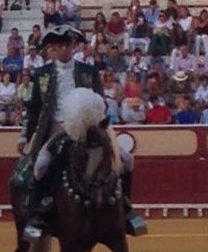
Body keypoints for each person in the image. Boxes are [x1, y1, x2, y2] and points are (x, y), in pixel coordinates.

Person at [17, 25, 145, 240]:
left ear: (73, 46)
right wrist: (24, 136)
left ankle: (127, 207)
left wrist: (103, 126)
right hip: (57, 128)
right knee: (39, 166)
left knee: (127, 159)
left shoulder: (89, 71)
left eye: (67, 45)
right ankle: (38, 216)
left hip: (90, 127)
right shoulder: (41, 74)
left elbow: (100, 102)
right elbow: (34, 109)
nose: (64, 50)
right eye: (58, 46)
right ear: (52, 49)